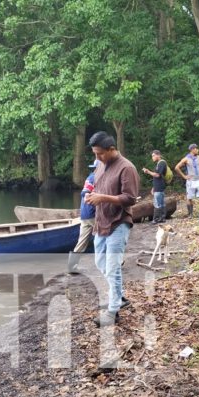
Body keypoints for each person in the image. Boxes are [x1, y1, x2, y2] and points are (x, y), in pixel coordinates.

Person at [85, 131, 139, 326]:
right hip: (101, 222)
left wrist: (104, 198)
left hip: (119, 222)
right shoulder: (100, 165)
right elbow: (98, 187)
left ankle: (112, 310)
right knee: (101, 263)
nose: (97, 158)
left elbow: (130, 198)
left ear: (112, 149)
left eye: (100, 153)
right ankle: (120, 296)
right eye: (95, 154)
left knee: (113, 267)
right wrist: (91, 196)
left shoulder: (127, 168)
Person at [68, 158, 100, 274]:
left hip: (84, 214)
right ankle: (111, 262)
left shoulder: (90, 177)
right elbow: (85, 192)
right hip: (93, 214)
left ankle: (71, 267)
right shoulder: (95, 178)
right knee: (104, 237)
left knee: (82, 242)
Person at [175, 143, 199, 218]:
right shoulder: (186, 158)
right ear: (192, 150)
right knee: (189, 197)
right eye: (196, 148)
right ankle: (190, 214)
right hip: (191, 181)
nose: (197, 150)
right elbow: (177, 167)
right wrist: (184, 176)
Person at [142, 149, 167, 223]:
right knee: (161, 203)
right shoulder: (158, 163)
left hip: (159, 186)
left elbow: (157, 175)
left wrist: (147, 171)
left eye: (153, 155)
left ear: (158, 155)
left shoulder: (161, 163)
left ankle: (156, 219)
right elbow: (156, 177)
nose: (152, 157)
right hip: (158, 186)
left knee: (157, 203)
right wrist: (153, 187)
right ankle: (162, 218)